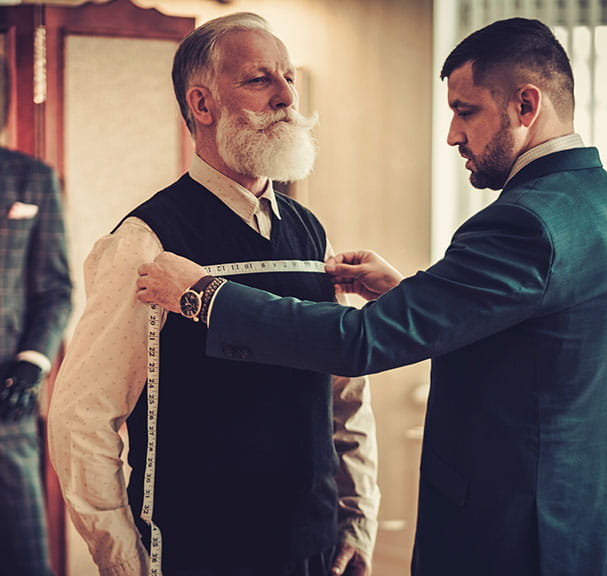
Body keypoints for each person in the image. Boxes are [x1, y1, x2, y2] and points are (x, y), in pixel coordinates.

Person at [137, 17, 607, 576]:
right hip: (592, 532)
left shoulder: (522, 223)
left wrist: (205, 297)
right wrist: (406, 292)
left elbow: (357, 340)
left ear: (525, 105)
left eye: (466, 111)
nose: (453, 135)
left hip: (512, 540)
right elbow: (533, 333)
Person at [48, 13, 379, 576]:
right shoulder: (145, 240)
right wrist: (126, 561)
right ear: (202, 106)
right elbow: (83, 419)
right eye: (259, 80)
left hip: (316, 546)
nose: (285, 96)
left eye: (288, 77)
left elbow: (344, 392)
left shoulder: (310, 229)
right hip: (198, 550)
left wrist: (357, 516)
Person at [0, 53, 73, 576]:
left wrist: (31, 364)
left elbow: (56, 289)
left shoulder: (32, 180)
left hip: (6, 403)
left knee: (25, 560)